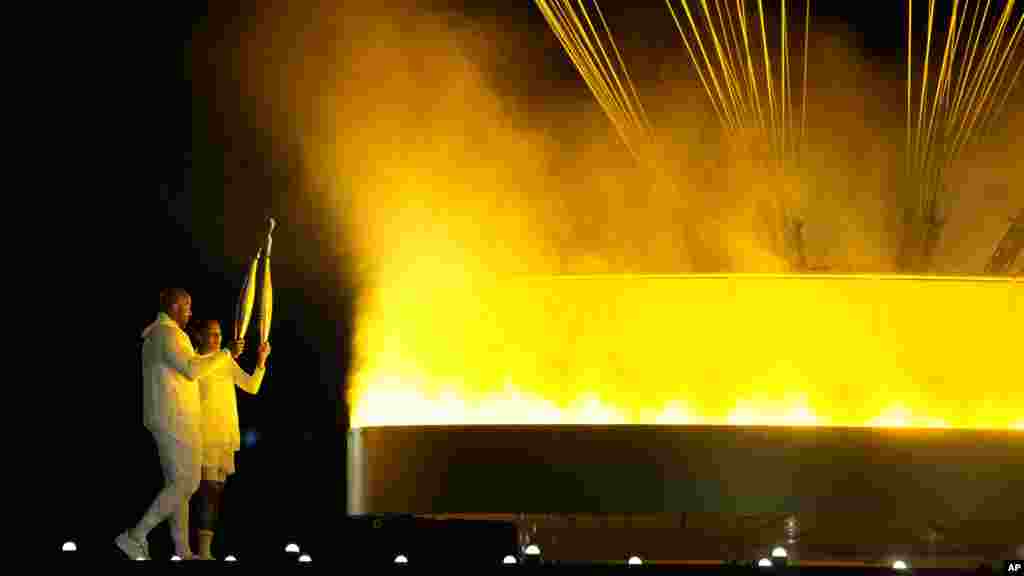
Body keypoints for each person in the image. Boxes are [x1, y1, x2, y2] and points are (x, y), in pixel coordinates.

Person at [116, 288, 243, 560]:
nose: (190, 312)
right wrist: (225, 353)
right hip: (175, 418)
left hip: (168, 417)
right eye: (188, 306)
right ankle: (136, 535)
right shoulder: (168, 334)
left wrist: (221, 357)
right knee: (187, 482)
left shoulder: (158, 335)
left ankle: (182, 550)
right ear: (175, 306)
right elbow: (192, 369)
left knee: (178, 483)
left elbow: (190, 366)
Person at [189, 318, 270, 560]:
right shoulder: (193, 362)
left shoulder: (224, 360)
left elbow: (252, 386)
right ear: (200, 336)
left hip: (225, 435)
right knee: (206, 491)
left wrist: (261, 360)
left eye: (219, 334)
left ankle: (205, 550)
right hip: (203, 435)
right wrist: (227, 353)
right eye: (212, 334)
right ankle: (197, 550)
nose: (217, 338)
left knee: (215, 492)